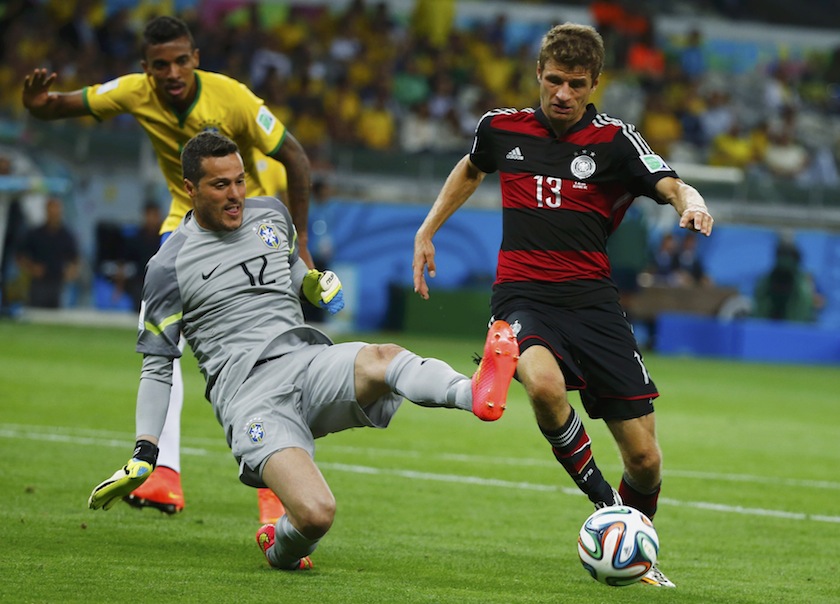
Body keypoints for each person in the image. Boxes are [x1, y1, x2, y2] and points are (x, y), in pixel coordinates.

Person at [87, 131, 519, 571]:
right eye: (220, 186)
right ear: (189, 189)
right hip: (250, 399)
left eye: (240, 181)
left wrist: (314, 283)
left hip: (306, 362)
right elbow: (158, 368)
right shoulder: (166, 268)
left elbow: (293, 270)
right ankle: (280, 545)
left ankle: (475, 393)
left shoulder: (271, 215)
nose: (235, 195)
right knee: (316, 514)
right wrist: (145, 452)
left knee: (383, 357)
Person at [412, 23, 715, 589]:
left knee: (646, 460)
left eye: (576, 84)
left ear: (595, 83)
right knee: (546, 387)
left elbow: (671, 183)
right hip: (523, 297)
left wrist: (691, 202)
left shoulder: (615, 141)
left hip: (594, 304)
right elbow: (472, 168)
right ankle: (607, 510)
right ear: (538, 75)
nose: (563, 94)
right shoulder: (501, 128)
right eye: (554, 81)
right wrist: (427, 230)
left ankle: (630, 542)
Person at [22, 15, 314, 522]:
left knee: (271, 348)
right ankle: (164, 474)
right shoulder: (135, 92)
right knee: (159, 340)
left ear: (196, 58)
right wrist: (39, 106)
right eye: (161, 65)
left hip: (251, 212)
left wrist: (301, 243)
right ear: (146, 69)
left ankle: (278, 489)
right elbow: (62, 105)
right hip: (189, 219)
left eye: (181, 60)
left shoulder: (233, 98)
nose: (173, 72)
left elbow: (296, 157)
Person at [16, 196, 80, 309]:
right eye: (51, 211)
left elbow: (75, 259)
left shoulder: (67, 236)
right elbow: (20, 256)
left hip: (58, 283)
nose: (54, 214)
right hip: (38, 283)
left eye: (56, 211)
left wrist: (70, 272)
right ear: (46, 211)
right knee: (35, 313)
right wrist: (31, 268)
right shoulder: (35, 234)